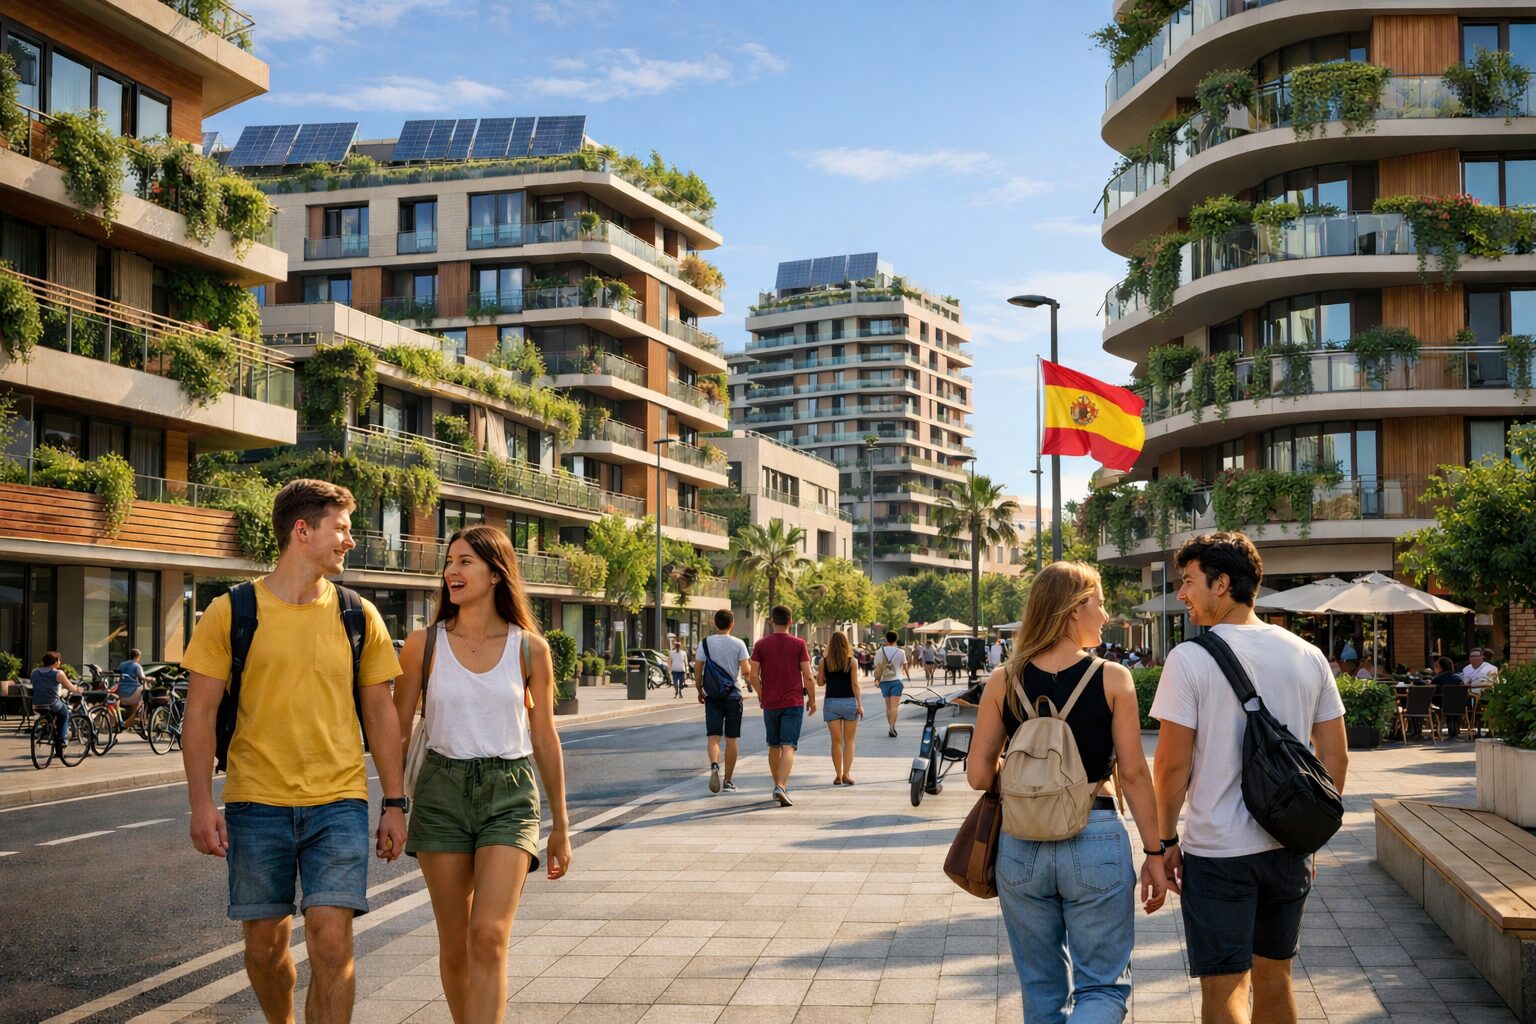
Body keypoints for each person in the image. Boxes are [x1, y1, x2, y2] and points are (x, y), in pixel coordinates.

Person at [180, 480, 407, 1024]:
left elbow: (380, 714)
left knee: (332, 939)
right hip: (257, 804)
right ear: (302, 531)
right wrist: (200, 804)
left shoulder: (358, 615)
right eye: (342, 528)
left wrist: (396, 803)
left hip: (339, 802)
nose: (350, 541)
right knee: (263, 945)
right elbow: (201, 714)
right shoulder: (230, 612)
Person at [1151, 532, 1349, 1024]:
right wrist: (1308, 838)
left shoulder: (1189, 658)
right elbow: (1335, 756)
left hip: (1218, 851)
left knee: (1223, 991)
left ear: (1221, 584)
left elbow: (1172, 766)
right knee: (1276, 978)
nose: (1182, 594)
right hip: (1287, 848)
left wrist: (1164, 839)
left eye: (1188, 582)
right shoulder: (1307, 655)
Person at [968, 561, 1169, 1019]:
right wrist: (1154, 854)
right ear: (1075, 610)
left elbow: (979, 776)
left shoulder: (1004, 679)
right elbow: (1135, 775)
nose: (1105, 613)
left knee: (1040, 991)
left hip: (1019, 846)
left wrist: (1028, 776)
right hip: (1095, 835)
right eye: (1099, 603)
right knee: (1101, 989)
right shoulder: (1112, 678)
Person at [392, 525, 571, 1024]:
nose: (453, 570)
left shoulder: (529, 648)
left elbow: (544, 738)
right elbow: (398, 734)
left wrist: (561, 825)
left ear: (496, 573)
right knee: (454, 943)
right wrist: (391, 806)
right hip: (441, 790)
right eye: (450, 562)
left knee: (488, 934)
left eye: (466, 561)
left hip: (510, 793)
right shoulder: (422, 645)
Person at [750, 605, 816, 806]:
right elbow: (808, 675)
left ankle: (778, 785)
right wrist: (812, 700)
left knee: (773, 745)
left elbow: (753, 675)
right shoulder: (799, 644)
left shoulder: (761, 645)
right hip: (793, 702)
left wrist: (762, 694)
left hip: (770, 703)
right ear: (791, 621)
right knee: (789, 746)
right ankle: (781, 785)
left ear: (771, 621)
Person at [696, 608, 753, 794]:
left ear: (714, 623)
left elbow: (698, 668)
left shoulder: (705, 643)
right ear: (732, 624)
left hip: (712, 696)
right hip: (733, 696)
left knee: (713, 737)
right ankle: (728, 781)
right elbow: (746, 671)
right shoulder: (738, 644)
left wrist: (699, 688)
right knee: (732, 738)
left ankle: (714, 765)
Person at [819, 631, 863, 785]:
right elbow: (855, 684)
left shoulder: (824, 661)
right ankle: (847, 774)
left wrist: (828, 677)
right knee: (849, 740)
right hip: (849, 702)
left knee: (836, 741)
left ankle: (838, 775)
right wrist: (860, 705)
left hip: (831, 702)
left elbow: (819, 682)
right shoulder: (852, 661)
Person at [31, 651, 80, 752]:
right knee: (64, 713)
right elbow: (71, 688)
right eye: (59, 660)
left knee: (53, 716)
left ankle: (46, 731)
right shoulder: (58, 673)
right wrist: (79, 689)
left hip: (36, 704)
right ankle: (62, 740)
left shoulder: (34, 672)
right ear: (55, 661)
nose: (60, 662)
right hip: (52, 704)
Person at [871, 630, 910, 737]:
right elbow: (904, 665)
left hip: (884, 682)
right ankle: (892, 727)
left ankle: (891, 727)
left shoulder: (879, 651)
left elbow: (876, 666)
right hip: (897, 681)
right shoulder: (900, 652)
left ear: (886, 639)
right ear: (896, 639)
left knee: (888, 707)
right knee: (894, 707)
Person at [115, 647, 148, 733]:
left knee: (135, 703)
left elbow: (117, 675)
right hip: (132, 692)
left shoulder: (122, 664)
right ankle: (130, 722)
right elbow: (142, 677)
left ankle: (124, 722)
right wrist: (151, 679)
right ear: (137, 656)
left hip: (120, 692)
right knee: (142, 700)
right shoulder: (137, 666)